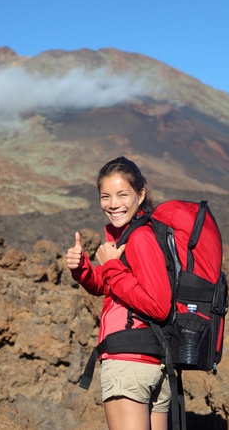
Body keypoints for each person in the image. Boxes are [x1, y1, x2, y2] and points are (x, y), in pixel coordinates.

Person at [66, 156, 172, 430]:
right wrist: (84, 270)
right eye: (105, 196)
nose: (113, 204)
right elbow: (115, 288)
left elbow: (157, 305)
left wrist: (111, 265)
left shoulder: (140, 238)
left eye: (122, 194)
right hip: (151, 363)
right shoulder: (128, 236)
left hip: (129, 363)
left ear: (140, 194)